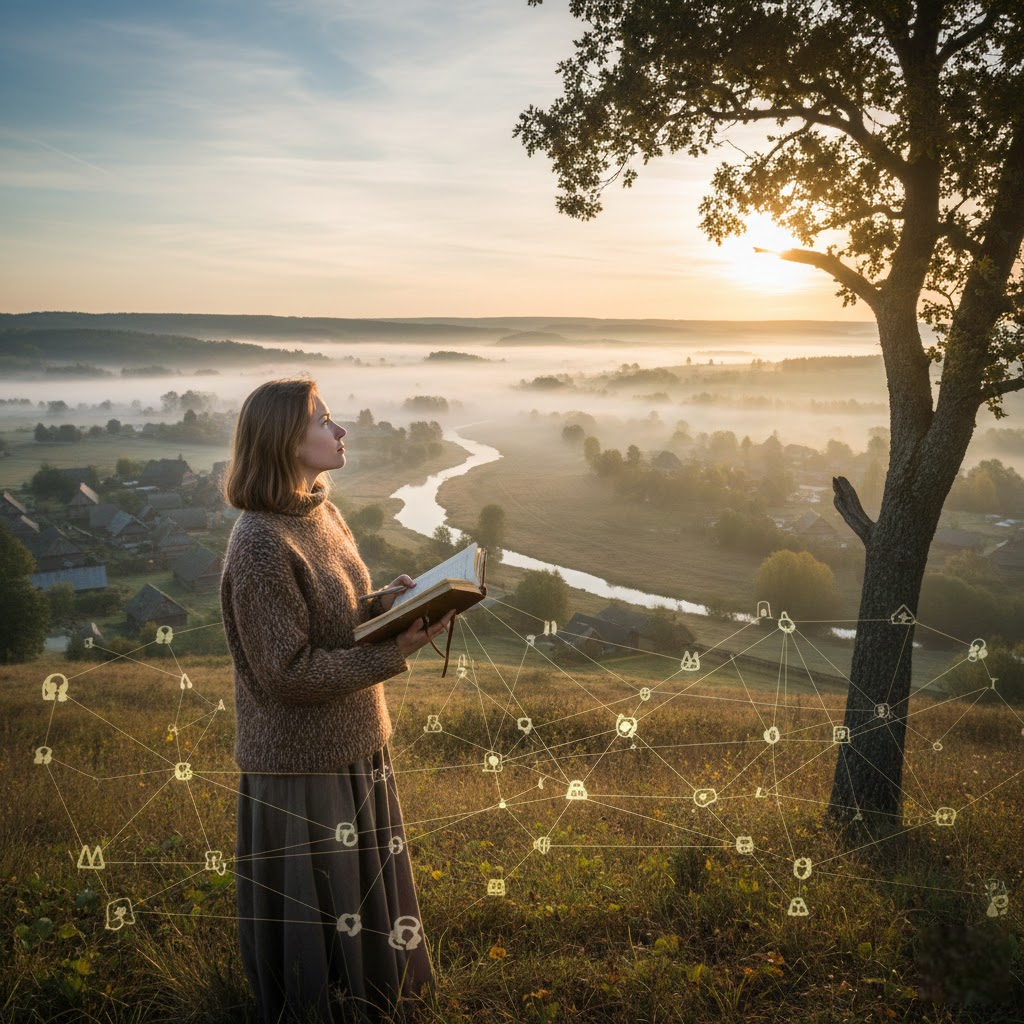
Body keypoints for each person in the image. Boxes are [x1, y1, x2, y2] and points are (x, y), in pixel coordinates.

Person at [220, 377, 454, 1023]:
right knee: (321, 904)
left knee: (364, 894)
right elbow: (287, 674)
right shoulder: (260, 543)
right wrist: (394, 651)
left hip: (355, 740)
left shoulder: (319, 511)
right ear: (283, 441)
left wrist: (383, 605)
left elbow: (333, 619)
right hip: (302, 764)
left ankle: (377, 1000)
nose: (341, 429)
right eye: (323, 421)